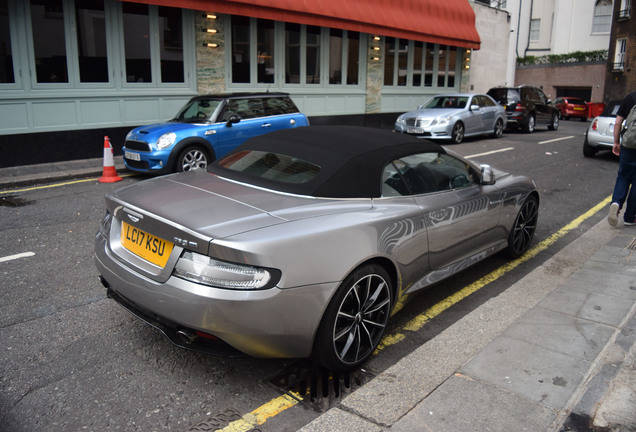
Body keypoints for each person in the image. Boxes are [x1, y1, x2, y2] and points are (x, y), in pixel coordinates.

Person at [608, 90, 636, 226]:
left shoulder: (631, 98)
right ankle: (630, 217)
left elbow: (618, 122)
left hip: (628, 146)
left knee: (623, 177)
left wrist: (616, 142)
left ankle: (616, 203)